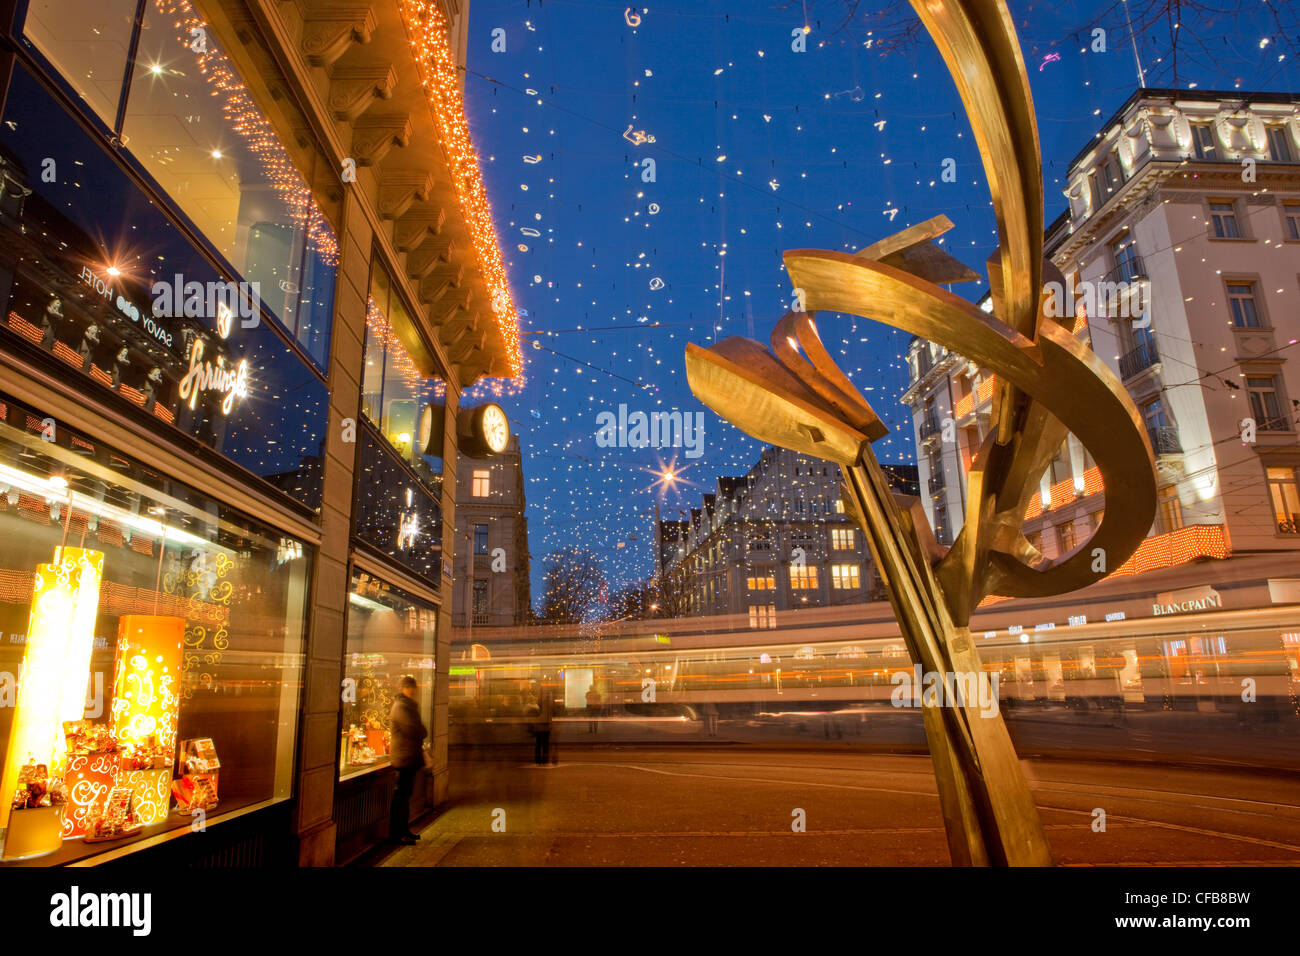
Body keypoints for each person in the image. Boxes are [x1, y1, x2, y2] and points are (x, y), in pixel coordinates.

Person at [389, 675, 427, 845]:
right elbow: (415, 730)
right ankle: (398, 834)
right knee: (401, 797)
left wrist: (421, 730)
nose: (412, 690)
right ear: (403, 689)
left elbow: (419, 729)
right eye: (409, 687)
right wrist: (422, 731)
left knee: (405, 796)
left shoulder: (408, 706)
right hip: (404, 757)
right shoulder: (401, 707)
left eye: (414, 687)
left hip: (408, 756)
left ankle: (404, 830)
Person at [533, 690, 554, 765]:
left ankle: (538, 760)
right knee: (545, 744)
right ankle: (545, 760)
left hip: (539, 726)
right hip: (546, 726)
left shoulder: (538, 703)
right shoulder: (549, 703)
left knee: (538, 744)